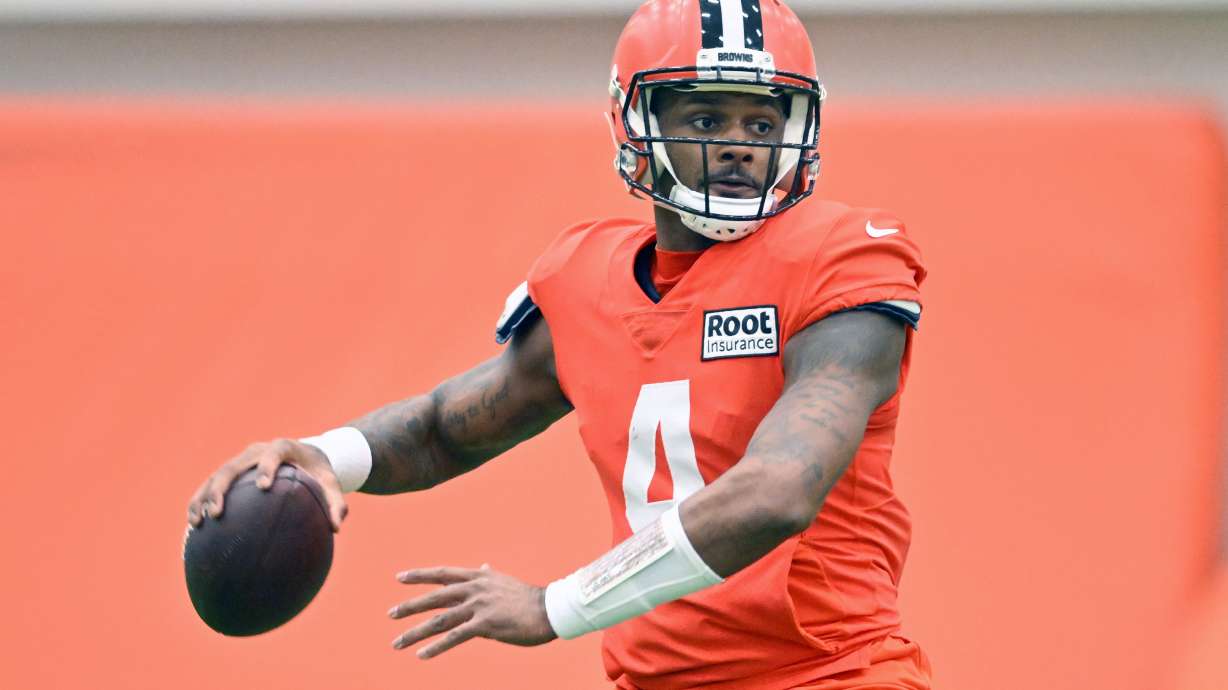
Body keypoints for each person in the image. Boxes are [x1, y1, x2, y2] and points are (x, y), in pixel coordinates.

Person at [185, 1, 932, 687]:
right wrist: (326, 458)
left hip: (833, 675)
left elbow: (778, 491)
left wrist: (557, 606)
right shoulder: (588, 281)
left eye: (761, 125)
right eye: (706, 121)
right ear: (634, 123)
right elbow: (449, 427)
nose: (739, 146)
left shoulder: (837, 259)